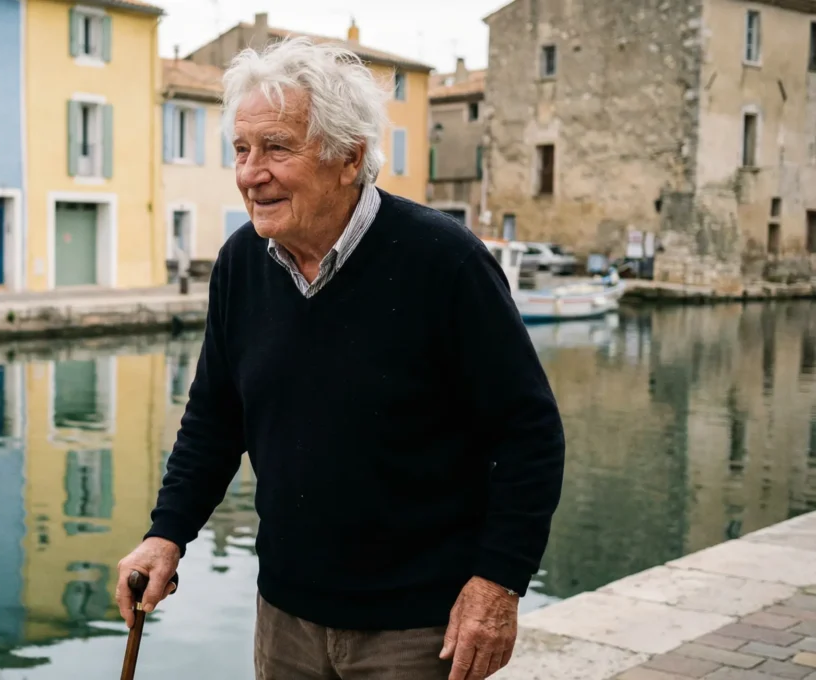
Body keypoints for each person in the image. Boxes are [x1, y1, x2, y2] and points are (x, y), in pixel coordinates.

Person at [116, 38, 565, 680]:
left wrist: (498, 581)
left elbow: (529, 435)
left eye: (276, 147)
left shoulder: (445, 262)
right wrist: (168, 532)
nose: (250, 172)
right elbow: (216, 418)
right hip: (286, 616)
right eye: (242, 150)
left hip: (418, 628)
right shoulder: (241, 263)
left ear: (349, 158)